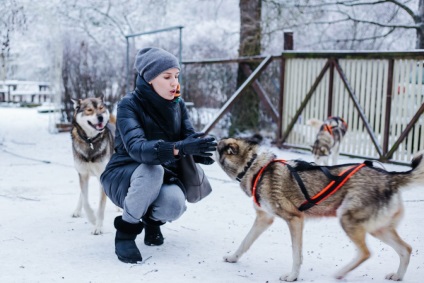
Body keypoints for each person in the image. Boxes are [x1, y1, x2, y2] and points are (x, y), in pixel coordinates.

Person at [100, 47, 217, 264]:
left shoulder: (178, 105)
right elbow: (137, 148)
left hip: (163, 174)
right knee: (151, 169)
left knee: (174, 205)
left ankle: (152, 223)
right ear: (149, 78)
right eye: (167, 77)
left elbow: (188, 137)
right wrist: (180, 148)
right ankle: (126, 232)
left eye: (176, 76)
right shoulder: (129, 105)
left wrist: (200, 150)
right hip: (125, 175)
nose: (175, 83)